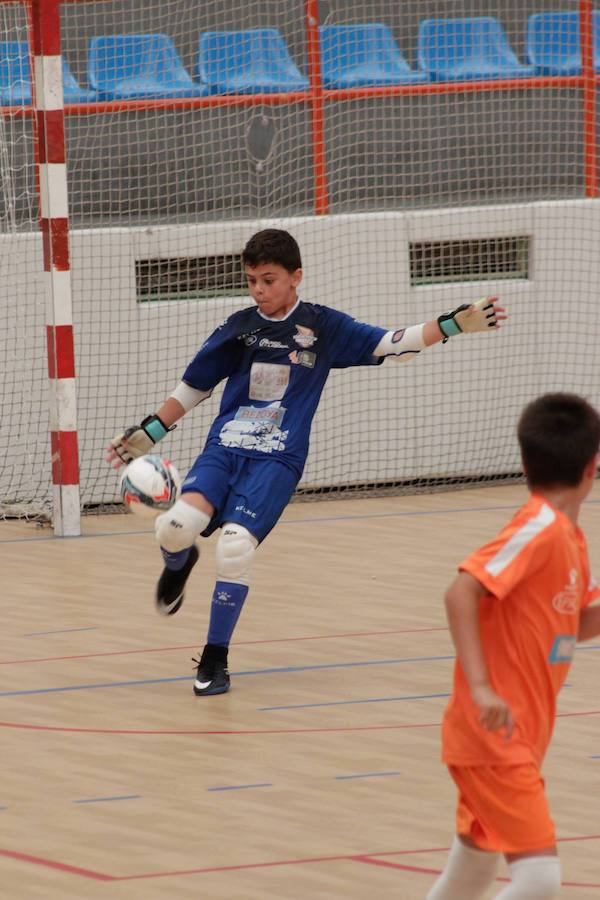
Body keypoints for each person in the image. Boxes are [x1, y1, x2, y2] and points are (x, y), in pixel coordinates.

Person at [106, 228, 505, 697]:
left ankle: (215, 657)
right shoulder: (240, 327)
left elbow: (393, 342)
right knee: (173, 527)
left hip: (277, 460)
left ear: (296, 277)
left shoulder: (325, 327)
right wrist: (149, 432)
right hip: (225, 449)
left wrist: (451, 325)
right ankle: (179, 563)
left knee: (235, 548)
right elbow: (195, 386)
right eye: (251, 280)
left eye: (269, 280)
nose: (259, 290)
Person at [427, 392, 600, 900]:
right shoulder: (540, 528)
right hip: (493, 735)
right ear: (594, 464)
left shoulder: (569, 537)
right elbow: (462, 590)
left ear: (523, 462)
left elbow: (577, 625)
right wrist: (480, 687)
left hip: (516, 733)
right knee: (540, 879)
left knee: (473, 871)